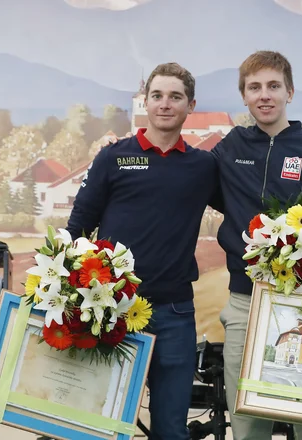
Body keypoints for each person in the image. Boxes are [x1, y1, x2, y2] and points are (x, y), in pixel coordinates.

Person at [66, 62, 222, 440]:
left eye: (175, 97)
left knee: (171, 429)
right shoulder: (113, 157)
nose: (165, 104)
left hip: (175, 312)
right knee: (99, 426)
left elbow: (243, 211)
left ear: (190, 106)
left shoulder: (204, 166)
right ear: (145, 103)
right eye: (157, 96)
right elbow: (79, 227)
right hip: (110, 310)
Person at [211, 50, 302, 440]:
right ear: (243, 96)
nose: (264, 95)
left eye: (274, 86)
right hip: (244, 302)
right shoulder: (229, 149)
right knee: (247, 423)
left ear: (290, 91)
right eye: (254, 87)